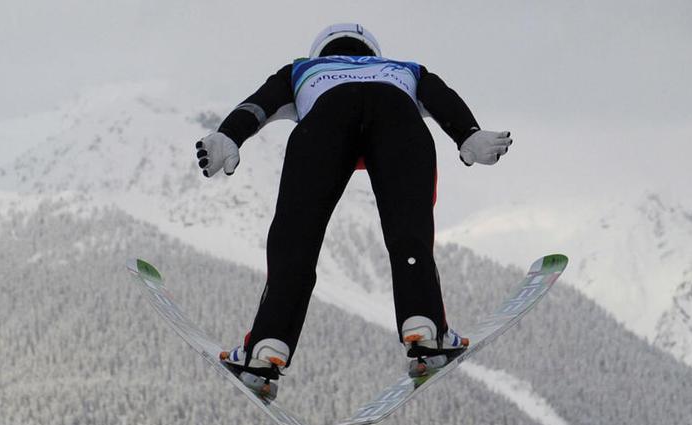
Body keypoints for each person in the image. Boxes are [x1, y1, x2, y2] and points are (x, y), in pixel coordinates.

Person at [195, 23, 512, 390]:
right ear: (373, 52)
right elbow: (443, 99)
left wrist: (228, 134)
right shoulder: (405, 69)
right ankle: (425, 327)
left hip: (326, 119)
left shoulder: (300, 70)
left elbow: (257, 106)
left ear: (321, 51)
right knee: (409, 231)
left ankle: (268, 346)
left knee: (295, 240)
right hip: (398, 117)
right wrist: (468, 133)